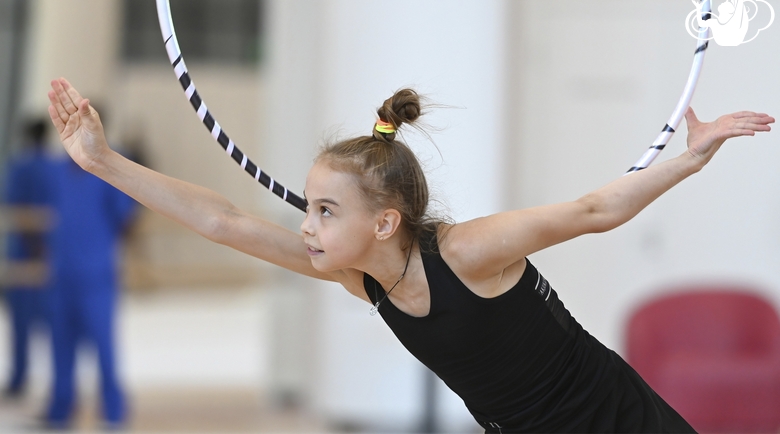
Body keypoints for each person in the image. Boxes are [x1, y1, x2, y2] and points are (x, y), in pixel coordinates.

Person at [47, 77, 773, 432]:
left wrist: (692, 159)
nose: (308, 225)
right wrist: (101, 161)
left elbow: (592, 211)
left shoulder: (469, 252)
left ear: (387, 222)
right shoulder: (366, 279)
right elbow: (225, 220)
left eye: (325, 211)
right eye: (309, 207)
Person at [42, 115, 137, 428]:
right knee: (60, 345)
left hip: (96, 275)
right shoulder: (58, 170)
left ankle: (112, 411)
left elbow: (126, 216)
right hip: (62, 273)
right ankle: (60, 407)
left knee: (104, 346)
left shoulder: (109, 173)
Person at [2, 119, 52, 397]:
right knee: (54, 325)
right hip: (49, 254)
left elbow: (13, 204)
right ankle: (59, 386)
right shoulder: (54, 167)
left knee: (21, 325)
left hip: (22, 253)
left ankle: (19, 379)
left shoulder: (18, 166)